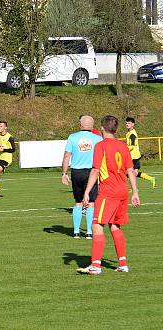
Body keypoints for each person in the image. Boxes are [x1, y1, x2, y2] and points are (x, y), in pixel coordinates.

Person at [77, 115, 141, 275]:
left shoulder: (101, 146)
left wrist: (86, 192)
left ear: (102, 128)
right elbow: (130, 170)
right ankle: (123, 264)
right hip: (123, 191)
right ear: (116, 129)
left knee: (97, 225)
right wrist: (135, 192)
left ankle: (96, 266)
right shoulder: (123, 146)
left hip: (108, 191)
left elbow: (95, 170)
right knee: (115, 225)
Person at [62, 115, 102, 239]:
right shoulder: (98, 138)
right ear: (92, 126)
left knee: (78, 202)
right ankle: (89, 232)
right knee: (90, 202)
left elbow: (67, 156)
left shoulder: (72, 137)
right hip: (92, 172)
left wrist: (64, 173)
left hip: (76, 172)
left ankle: (76, 231)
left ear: (80, 125)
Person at [126, 117, 156, 188]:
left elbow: (132, 146)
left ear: (133, 124)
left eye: (129, 123)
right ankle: (151, 179)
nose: (127, 124)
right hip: (132, 156)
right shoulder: (129, 132)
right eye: (126, 123)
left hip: (134, 157)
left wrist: (124, 150)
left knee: (131, 173)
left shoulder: (132, 134)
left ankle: (133, 188)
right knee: (132, 173)